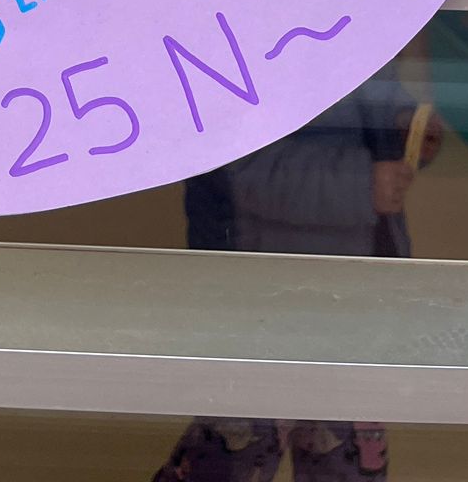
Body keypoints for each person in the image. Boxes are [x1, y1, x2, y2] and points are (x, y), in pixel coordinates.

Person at [151, 71, 440, 482]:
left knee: (344, 445)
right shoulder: (231, 57)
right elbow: (235, 169)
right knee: (242, 437)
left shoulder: (349, 40)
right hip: (259, 297)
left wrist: (406, 125)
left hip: (354, 294)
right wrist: (361, 186)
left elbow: (381, 93)